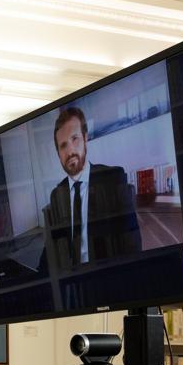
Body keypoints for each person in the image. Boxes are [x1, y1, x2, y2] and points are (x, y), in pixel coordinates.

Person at [41, 107, 142, 270]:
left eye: (75, 139)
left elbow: (133, 247)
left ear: (85, 138)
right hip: (75, 285)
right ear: (58, 154)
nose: (70, 151)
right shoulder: (57, 195)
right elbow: (51, 257)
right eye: (63, 145)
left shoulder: (112, 179)